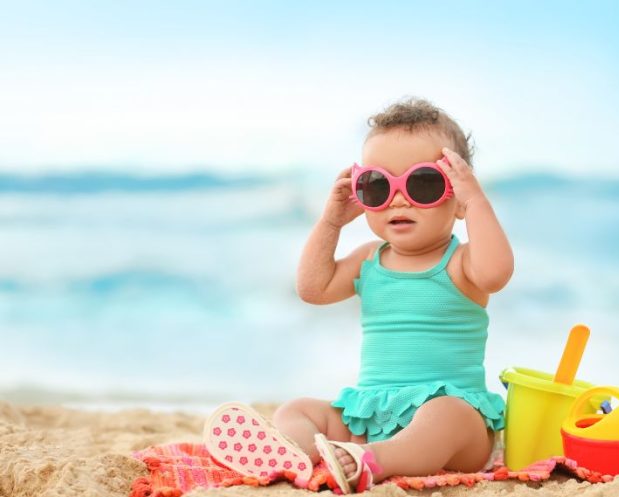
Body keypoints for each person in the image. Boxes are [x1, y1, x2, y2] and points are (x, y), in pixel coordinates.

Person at [203, 98, 514, 494]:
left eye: (423, 183)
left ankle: (378, 461)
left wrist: (477, 203)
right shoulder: (369, 259)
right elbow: (313, 289)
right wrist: (330, 221)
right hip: (371, 416)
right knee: (297, 409)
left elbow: (497, 273)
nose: (399, 199)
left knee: (446, 415)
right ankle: (293, 452)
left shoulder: (462, 263)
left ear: (456, 198)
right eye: (378, 186)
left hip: (455, 426)